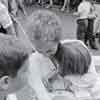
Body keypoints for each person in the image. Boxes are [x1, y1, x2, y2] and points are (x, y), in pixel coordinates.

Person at [27, 9, 100, 99]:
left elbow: (90, 82)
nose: (45, 55)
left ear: (58, 40)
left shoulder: (77, 48)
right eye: (39, 50)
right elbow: (39, 91)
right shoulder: (34, 62)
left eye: (49, 50)